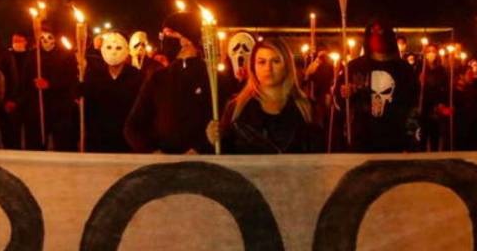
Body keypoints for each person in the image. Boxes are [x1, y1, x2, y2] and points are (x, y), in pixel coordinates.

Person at [124, 11, 221, 154]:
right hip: (163, 166)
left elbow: (220, 126)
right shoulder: (158, 78)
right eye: (163, 35)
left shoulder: (211, 77)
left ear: (186, 39)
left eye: (169, 34)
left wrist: (201, 147)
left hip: (201, 166)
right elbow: (132, 126)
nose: (164, 40)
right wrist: (153, 152)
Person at [206, 38, 322, 154]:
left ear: (287, 65)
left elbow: (317, 156)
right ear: (253, 66)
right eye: (262, 62)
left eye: (275, 61)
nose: (268, 68)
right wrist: (215, 139)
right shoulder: (236, 107)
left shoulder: (306, 108)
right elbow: (226, 157)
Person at [337, 19, 418, 153]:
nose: (376, 35)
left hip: (395, 140)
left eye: (380, 31)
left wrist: (412, 139)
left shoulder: (404, 70)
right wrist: (345, 94)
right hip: (362, 139)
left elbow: (413, 106)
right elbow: (338, 104)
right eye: (372, 32)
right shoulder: (354, 67)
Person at [82, 31, 142, 152]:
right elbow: (85, 99)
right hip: (99, 137)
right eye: (109, 47)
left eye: (118, 47)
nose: (113, 52)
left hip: (126, 137)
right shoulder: (93, 75)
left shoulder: (138, 76)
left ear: (126, 50)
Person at [21, 28, 79, 151]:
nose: (45, 41)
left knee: (63, 141)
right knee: (36, 141)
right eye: (42, 38)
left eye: (49, 37)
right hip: (37, 106)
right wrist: (34, 84)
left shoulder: (66, 55)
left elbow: (71, 77)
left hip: (59, 106)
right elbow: (25, 78)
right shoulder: (33, 55)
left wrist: (51, 84)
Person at [418, 43, 450, 151]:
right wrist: (419, 82)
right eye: (428, 51)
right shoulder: (420, 68)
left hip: (435, 107)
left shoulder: (441, 70)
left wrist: (441, 103)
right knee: (422, 138)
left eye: (433, 51)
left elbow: (445, 88)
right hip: (422, 106)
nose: (431, 53)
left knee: (434, 137)